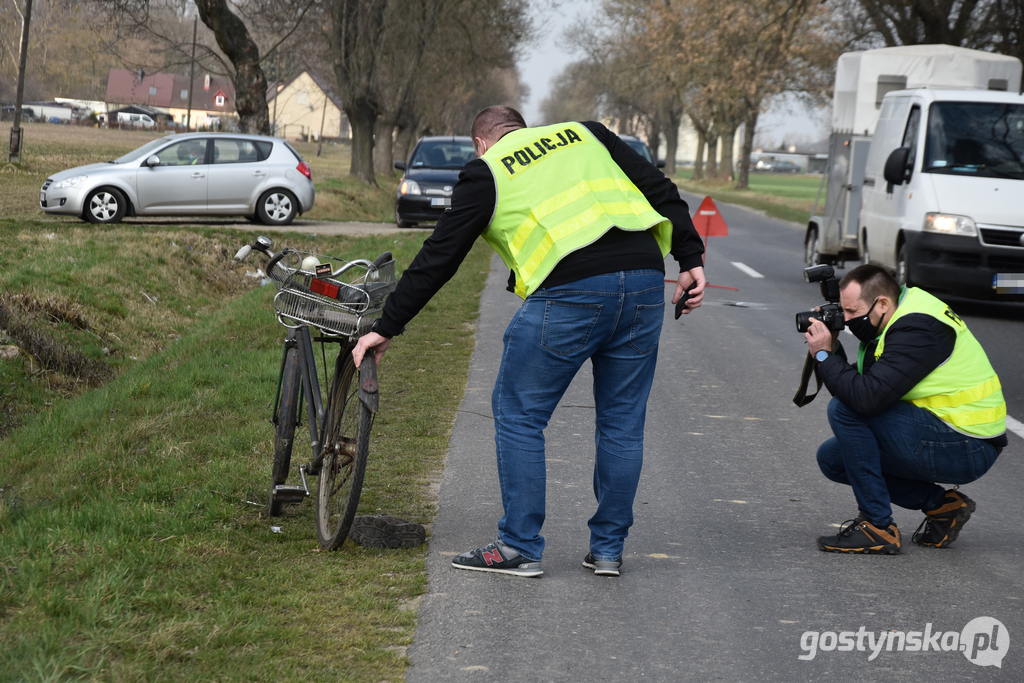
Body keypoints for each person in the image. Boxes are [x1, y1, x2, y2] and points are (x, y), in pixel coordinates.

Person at [352, 106, 706, 577]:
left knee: (519, 414)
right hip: (644, 280)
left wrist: (387, 324)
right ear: (522, 129)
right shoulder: (587, 134)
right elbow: (659, 188)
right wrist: (690, 255)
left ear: (481, 143)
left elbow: (440, 255)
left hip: (573, 292)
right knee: (622, 422)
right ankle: (607, 551)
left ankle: (519, 546)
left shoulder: (487, 172)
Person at [804, 265, 1006, 554]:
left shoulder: (918, 329)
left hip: (967, 446)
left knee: (844, 410)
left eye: (851, 312)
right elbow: (861, 386)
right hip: (948, 433)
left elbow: (863, 400)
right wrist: (832, 349)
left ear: (882, 302)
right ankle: (943, 506)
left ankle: (877, 526)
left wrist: (823, 355)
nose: (846, 321)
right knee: (833, 458)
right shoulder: (897, 316)